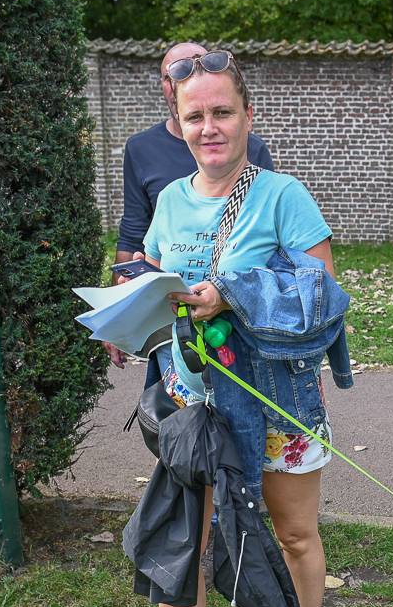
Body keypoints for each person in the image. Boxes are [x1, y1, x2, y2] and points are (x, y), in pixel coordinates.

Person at [104, 49, 345, 607]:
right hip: (195, 399)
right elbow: (155, 278)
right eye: (195, 115)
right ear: (178, 125)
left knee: (293, 531)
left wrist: (230, 295)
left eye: (222, 112)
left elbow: (321, 294)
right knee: (187, 534)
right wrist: (128, 311)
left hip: (276, 402)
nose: (209, 126)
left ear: (246, 116)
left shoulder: (283, 195)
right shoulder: (172, 200)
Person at [105, 42, 273, 372]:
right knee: (179, 417)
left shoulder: (250, 149)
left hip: (241, 330)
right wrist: (118, 314)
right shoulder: (141, 149)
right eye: (170, 76)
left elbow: (275, 243)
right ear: (163, 85)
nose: (208, 129)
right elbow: (132, 233)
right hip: (173, 326)